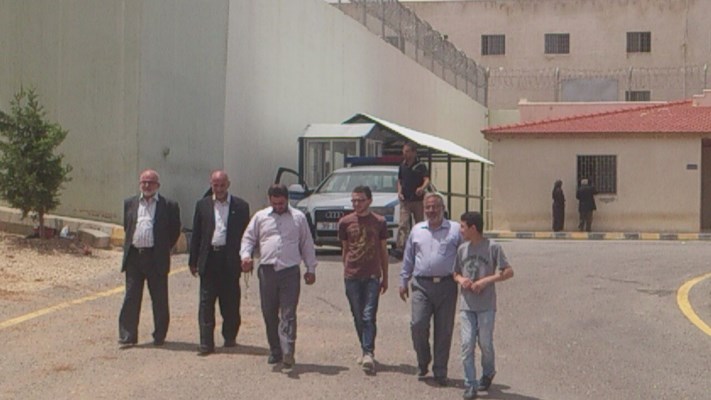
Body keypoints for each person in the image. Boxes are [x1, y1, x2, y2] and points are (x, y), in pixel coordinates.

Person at [240, 184, 318, 370]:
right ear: (269, 200)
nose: (278, 207)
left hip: (290, 271)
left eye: (281, 203)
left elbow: (307, 243)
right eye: (274, 203)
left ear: (287, 199)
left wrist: (311, 268)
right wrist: (246, 256)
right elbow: (248, 239)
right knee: (269, 312)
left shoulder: (298, 218)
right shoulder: (260, 217)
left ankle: (288, 349)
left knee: (288, 313)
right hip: (267, 271)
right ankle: (276, 350)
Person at [399, 193, 461, 386]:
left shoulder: (455, 229)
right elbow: (408, 257)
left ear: (443, 208)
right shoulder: (417, 230)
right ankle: (423, 360)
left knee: (444, 330)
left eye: (435, 207)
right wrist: (403, 280)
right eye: (428, 207)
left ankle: (440, 371)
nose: (431, 210)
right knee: (418, 324)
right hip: (421, 285)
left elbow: (464, 255)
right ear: (424, 209)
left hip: (447, 285)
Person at [188, 170, 250, 355]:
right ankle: (206, 343)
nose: (219, 189)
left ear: (228, 185)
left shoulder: (241, 206)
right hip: (209, 259)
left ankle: (230, 336)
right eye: (216, 185)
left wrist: (246, 257)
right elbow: (197, 234)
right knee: (206, 303)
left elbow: (247, 236)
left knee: (230, 302)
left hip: (230, 260)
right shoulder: (202, 205)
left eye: (222, 185)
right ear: (211, 185)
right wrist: (193, 261)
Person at [454, 211, 514, 400]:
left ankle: (488, 372)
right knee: (467, 344)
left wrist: (485, 281)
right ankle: (470, 384)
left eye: (463, 226)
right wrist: (462, 280)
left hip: (486, 305)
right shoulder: (462, 249)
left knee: (485, 342)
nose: (460, 230)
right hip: (467, 305)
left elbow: (508, 271)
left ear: (473, 228)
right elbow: (455, 273)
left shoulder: (493, 247)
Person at [118, 169, 181, 348]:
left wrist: (162, 248)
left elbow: (174, 231)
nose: (147, 185)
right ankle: (128, 336)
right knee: (131, 297)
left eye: (150, 182)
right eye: (144, 182)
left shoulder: (169, 205)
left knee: (159, 299)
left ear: (157, 185)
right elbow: (128, 227)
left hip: (156, 258)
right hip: (134, 257)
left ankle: (159, 335)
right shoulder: (130, 203)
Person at [338, 185, 389, 373]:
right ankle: (364, 347)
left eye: (360, 200)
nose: (357, 204)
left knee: (369, 315)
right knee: (358, 315)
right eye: (354, 201)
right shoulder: (345, 222)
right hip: (352, 275)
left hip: (372, 275)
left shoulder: (379, 222)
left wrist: (385, 276)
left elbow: (383, 250)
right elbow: (345, 249)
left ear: (369, 200)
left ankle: (368, 352)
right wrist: (346, 269)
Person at [394, 142, 430, 259]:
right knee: (403, 224)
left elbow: (426, 180)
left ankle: (420, 245)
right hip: (405, 200)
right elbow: (400, 180)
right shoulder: (402, 165)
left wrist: (422, 188)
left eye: (407, 151)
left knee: (419, 224)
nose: (405, 153)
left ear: (414, 153)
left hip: (417, 200)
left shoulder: (420, 166)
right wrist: (399, 192)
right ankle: (400, 247)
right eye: (404, 151)